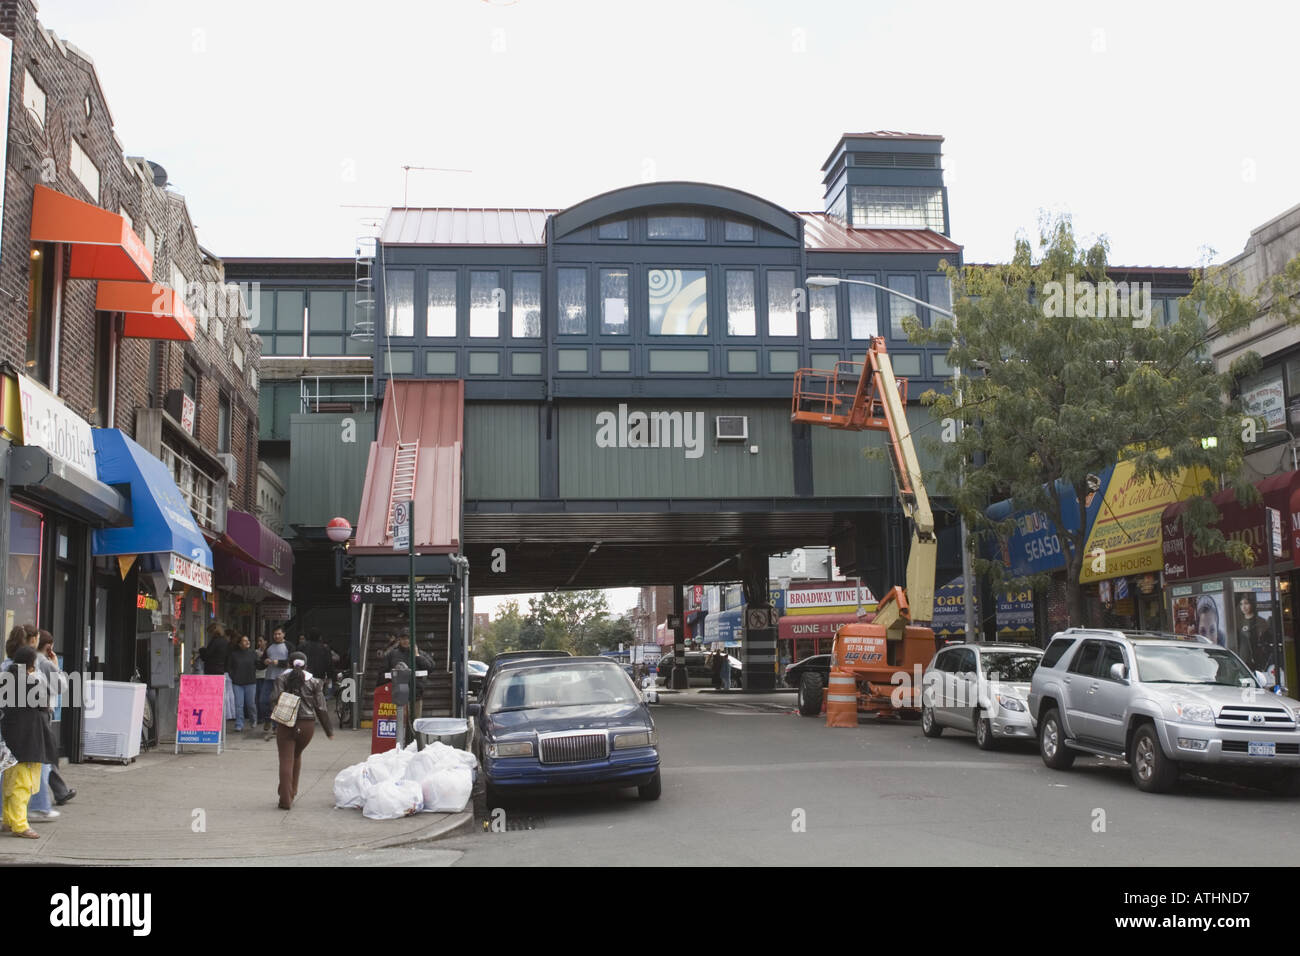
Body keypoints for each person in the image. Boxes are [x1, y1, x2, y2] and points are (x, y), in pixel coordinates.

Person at [270, 653, 333, 809]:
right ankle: (292, 791)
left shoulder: (281, 679)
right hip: (307, 726)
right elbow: (321, 707)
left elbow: (274, 699)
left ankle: (285, 798)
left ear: (289, 664)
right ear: (306, 665)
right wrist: (328, 730)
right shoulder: (315, 682)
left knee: (286, 760)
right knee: (296, 755)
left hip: (286, 724)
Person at [1, 647, 52, 838]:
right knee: (23, 784)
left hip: (10, 739)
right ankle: (20, 825)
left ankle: (8, 820)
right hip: (28, 740)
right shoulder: (30, 684)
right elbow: (45, 702)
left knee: (10, 781)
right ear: (31, 665)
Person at [1236, 593, 1275, 678]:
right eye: (1241, 604)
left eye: (1246, 603)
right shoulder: (1238, 623)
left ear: (1251, 604)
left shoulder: (1261, 621)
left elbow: (1268, 639)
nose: (1244, 607)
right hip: (1244, 659)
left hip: (1259, 659)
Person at [261, 628, 292, 737]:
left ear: (284, 634)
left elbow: (291, 662)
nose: (277, 636)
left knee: (278, 703)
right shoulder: (269, 646)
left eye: (279, 634)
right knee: (263, 701)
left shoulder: (289, 646)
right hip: (269, 678)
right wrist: (264, 661)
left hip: (283, 679)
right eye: (275, 634)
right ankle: (267, 719)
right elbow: (262, 661)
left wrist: (278, 662)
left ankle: (276, 726)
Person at [227, 635, 259, 734]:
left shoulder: (253, 654)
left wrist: (266, 663)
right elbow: (229, 667)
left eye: (248, 640)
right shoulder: (234, 654)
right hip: (238, 683)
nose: (247, 642)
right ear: (240, 644)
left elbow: (258, 664)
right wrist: (233, 676)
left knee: (251, 704)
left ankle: (253, 720)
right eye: (244, 641)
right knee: (239, 705)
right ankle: (239, 724)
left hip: (250, 682)